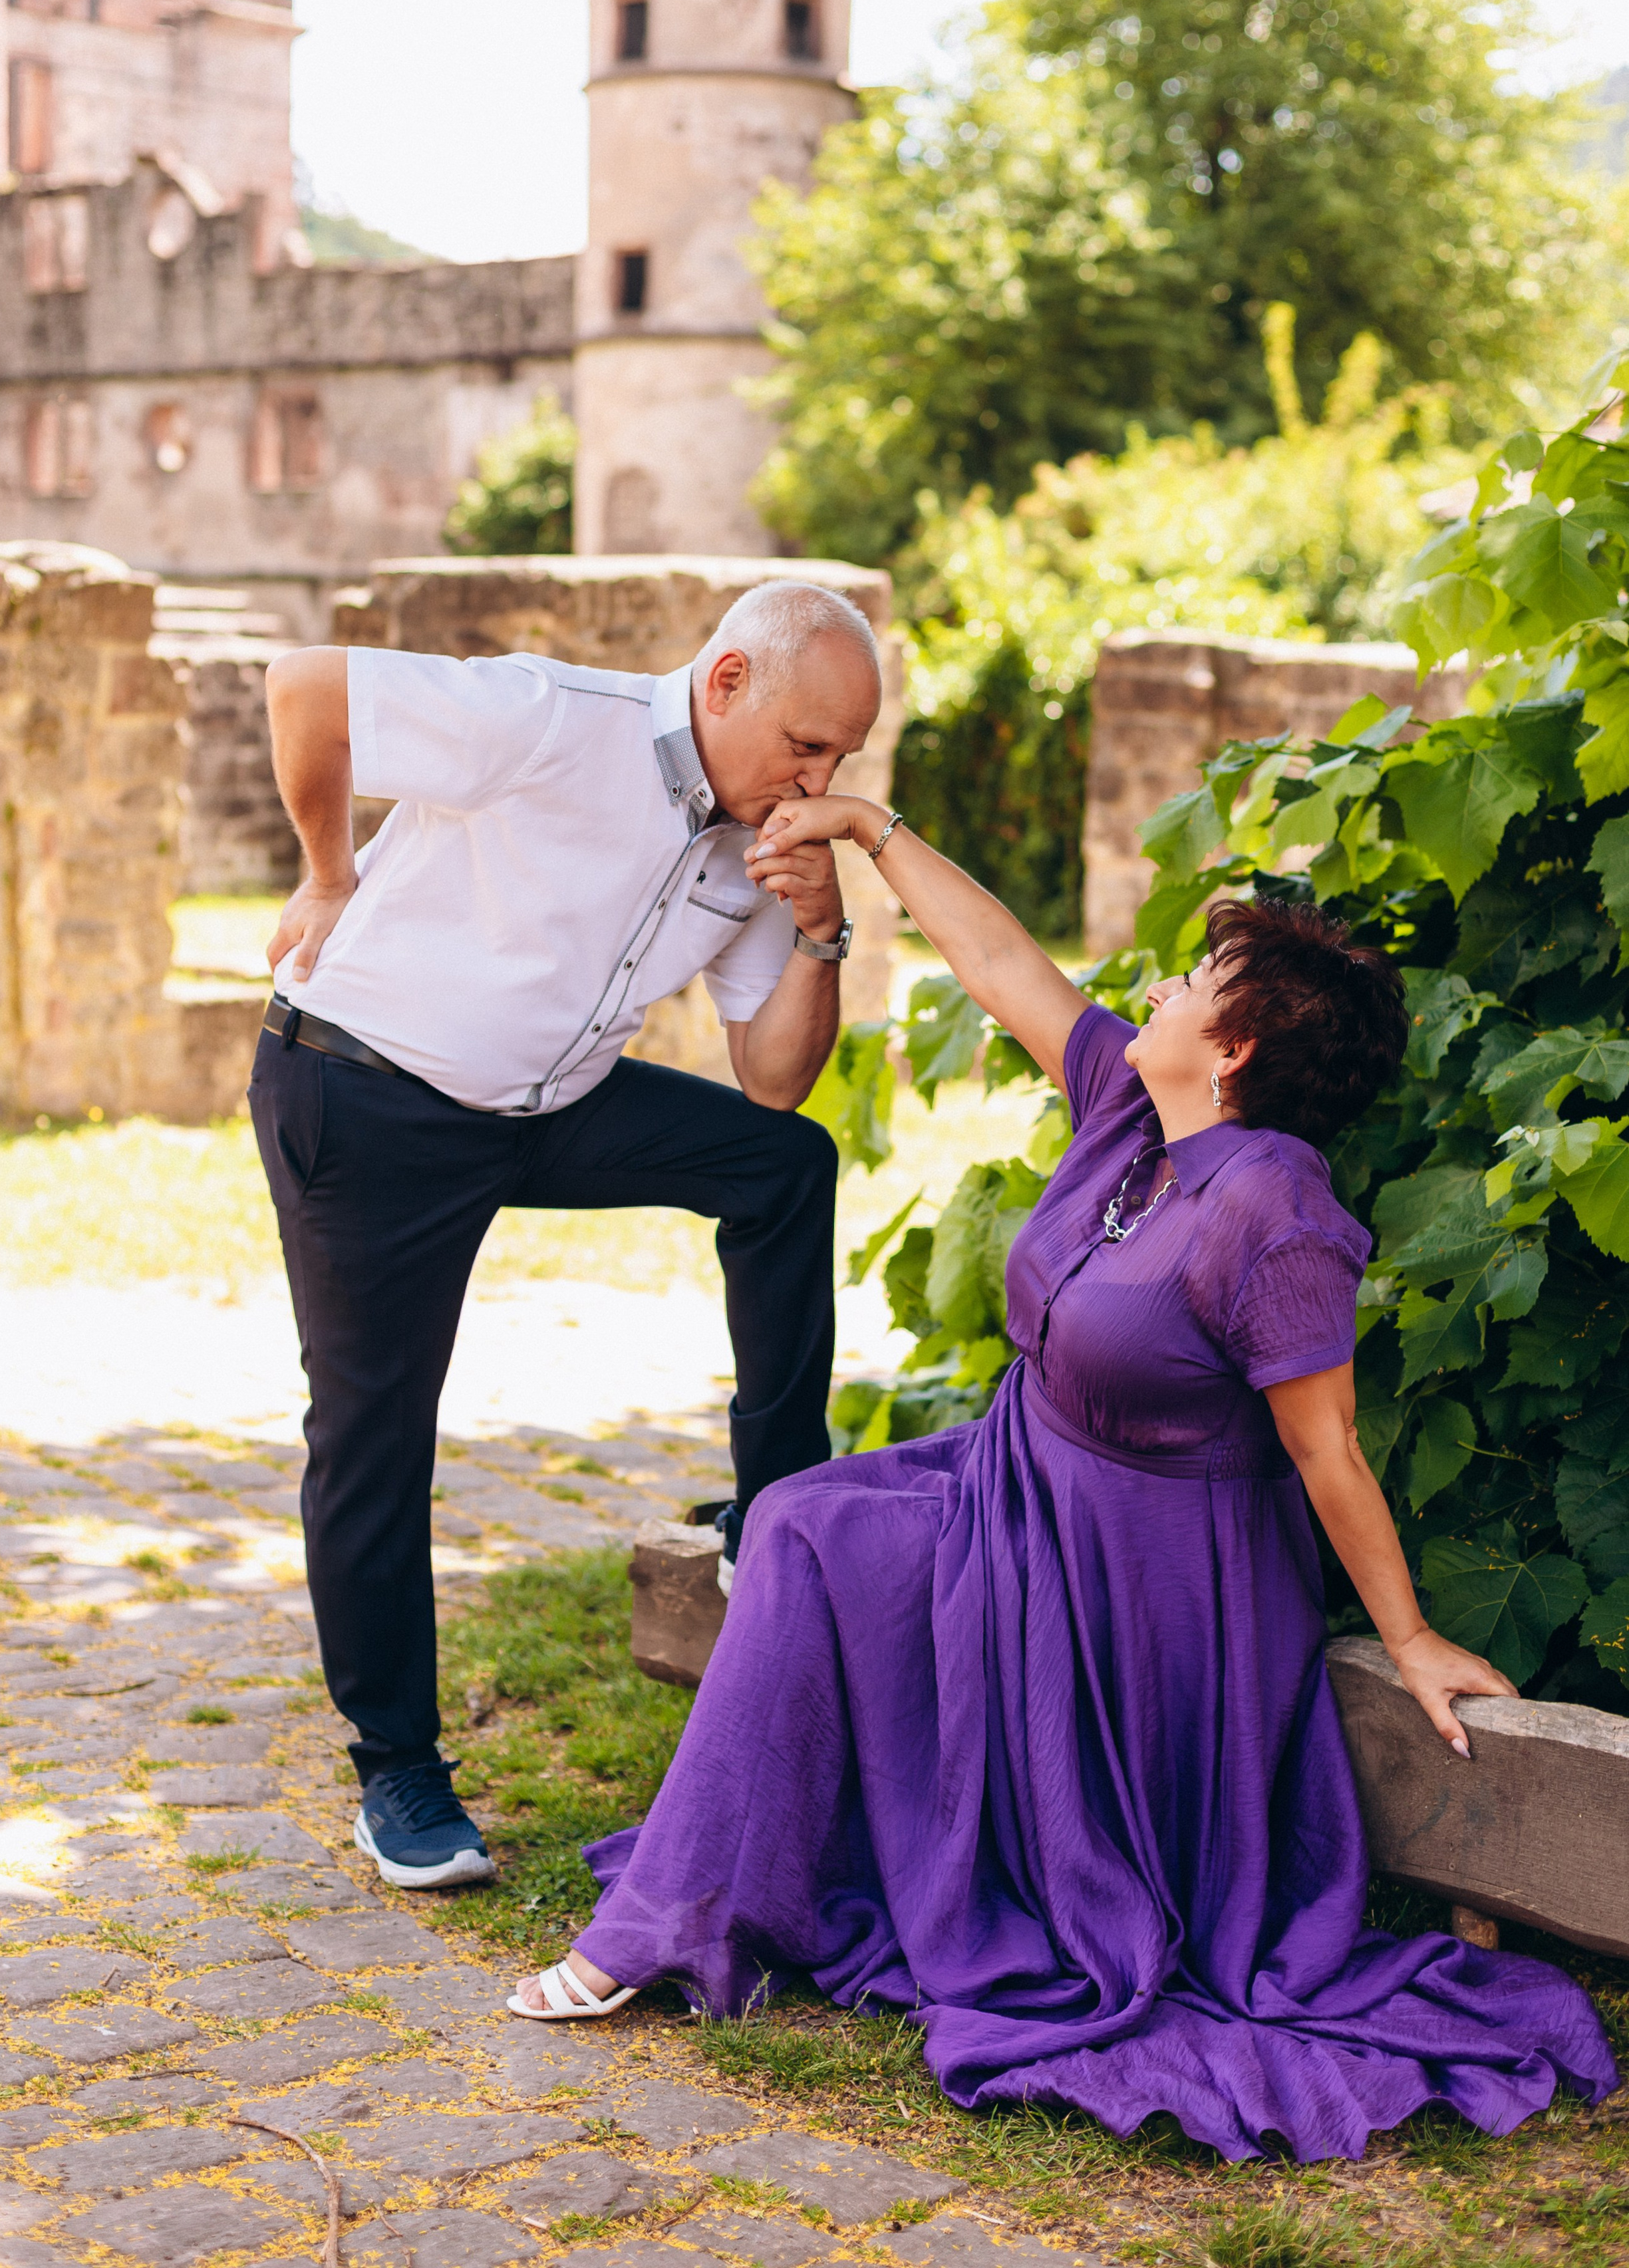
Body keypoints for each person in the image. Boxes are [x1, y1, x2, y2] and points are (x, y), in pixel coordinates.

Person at [510, 793, 1618, 2162]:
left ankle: (665, 1921)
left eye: (1191, 980)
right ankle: (711, 1890)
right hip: (1010, 1481)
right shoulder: (1130, 1116)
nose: (1152, 985)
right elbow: (999, 966)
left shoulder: (1273, 1209)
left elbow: (1321, 1449)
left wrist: (1407, 1634)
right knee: (794, 1517)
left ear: (1238, 1041)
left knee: (797, 1534)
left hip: (1142, 1584)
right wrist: (873, 828)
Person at [252, 583, 882, 1889]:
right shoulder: (552, 721)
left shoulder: (762, 846)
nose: (818, 780)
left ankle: (773, 1506)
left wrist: (818, 926)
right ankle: (398, 1772)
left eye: (841, 759)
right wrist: (327, 879)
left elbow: (772, 1079)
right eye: (806, 746)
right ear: (723, 684)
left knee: (781, 1164)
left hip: (545, 1102)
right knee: (375, 1425)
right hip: (367, 1090)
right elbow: (307, 688)